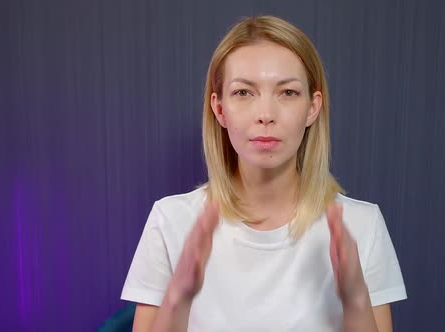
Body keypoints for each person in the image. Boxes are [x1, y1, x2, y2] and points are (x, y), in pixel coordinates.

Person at [121, 15, 406, 332]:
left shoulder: (361, 226)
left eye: (287, 93)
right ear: (219, 109)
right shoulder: (171, 220)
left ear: (312, 108)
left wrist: (355, 301)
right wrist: (178, 300)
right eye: (244, 92)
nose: (265, 115)